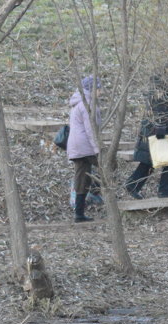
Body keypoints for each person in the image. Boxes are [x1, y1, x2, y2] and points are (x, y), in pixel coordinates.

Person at [125, 64, 168, 199]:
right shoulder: (163, 85)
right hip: (158, 129)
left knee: (150, 160)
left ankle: (133, 185)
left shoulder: (167, 83)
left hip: (158, 128)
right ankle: (165, 190)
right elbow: (157, 106)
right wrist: (160, 126)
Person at [67, 75, 100, 223]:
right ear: (91, 89)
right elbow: (90, 129)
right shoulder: (86, 104)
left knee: (82, 177)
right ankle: (99, 194)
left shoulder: (78, 102)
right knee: (108, 166)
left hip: (76, 146)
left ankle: (79, 213)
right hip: (84, 145)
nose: (101, 92)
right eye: (98, 88)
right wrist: (97, 148)